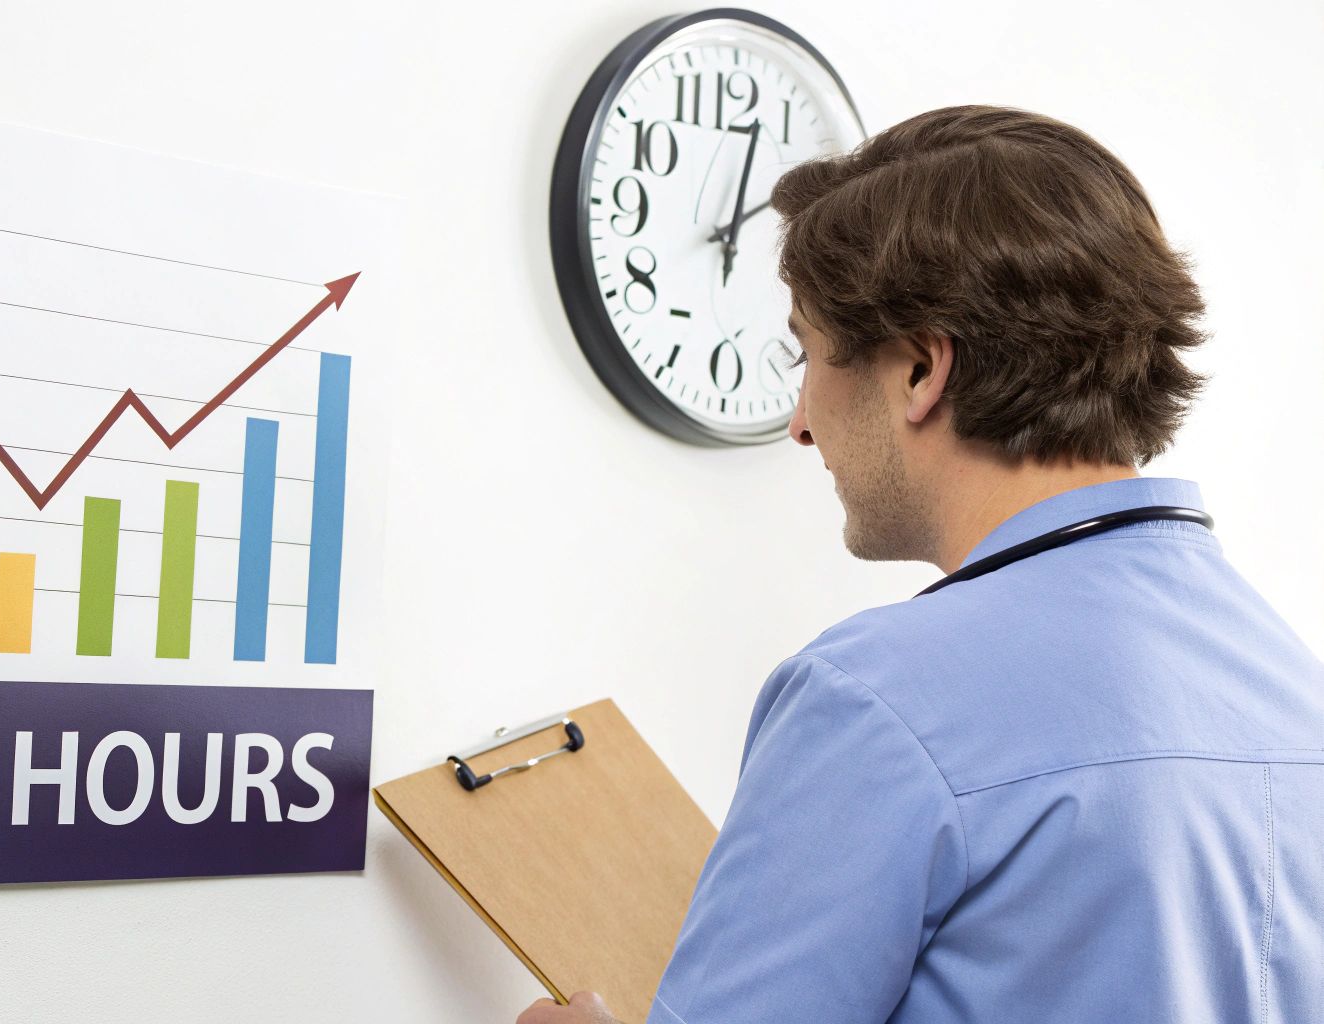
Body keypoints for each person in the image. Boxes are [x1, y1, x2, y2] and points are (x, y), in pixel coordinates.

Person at [518, 106, 1324, 1023]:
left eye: (807, 353)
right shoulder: (1292, 686)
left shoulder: (874, 701)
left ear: (918, 371)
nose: (800, 423)